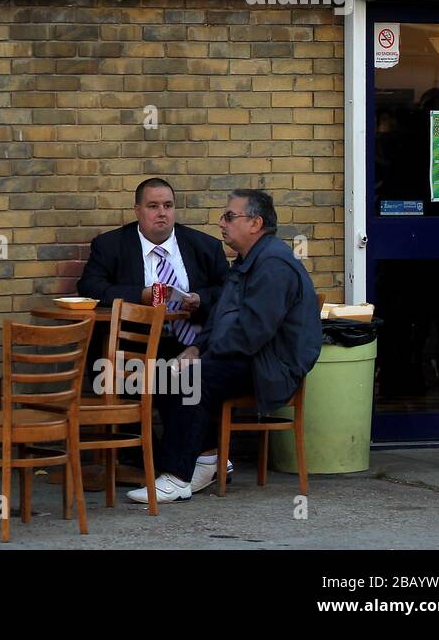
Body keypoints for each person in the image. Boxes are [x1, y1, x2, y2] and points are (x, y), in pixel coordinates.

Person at [128, 189, 321, 504]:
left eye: (230, 216)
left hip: (271, 367)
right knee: (168, 371)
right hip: (249, 357)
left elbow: (252, 333)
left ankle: (177, 477)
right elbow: (220, 318)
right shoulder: (248, 260)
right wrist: (195, 350)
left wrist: (201, 359)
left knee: (192, 379)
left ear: (255, 223)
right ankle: (204, 461)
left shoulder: (273, 264)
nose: (221, 222)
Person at [78, 178, 230, 357]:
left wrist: (200, 299)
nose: (162, 213)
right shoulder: (110, 245)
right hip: (132, 344)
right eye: (153, 206)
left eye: (168, 205)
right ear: (137, 211)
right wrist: (140, 296)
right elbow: (89, 287)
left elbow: (229, 290)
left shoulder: (205, 246)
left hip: (193, 344)